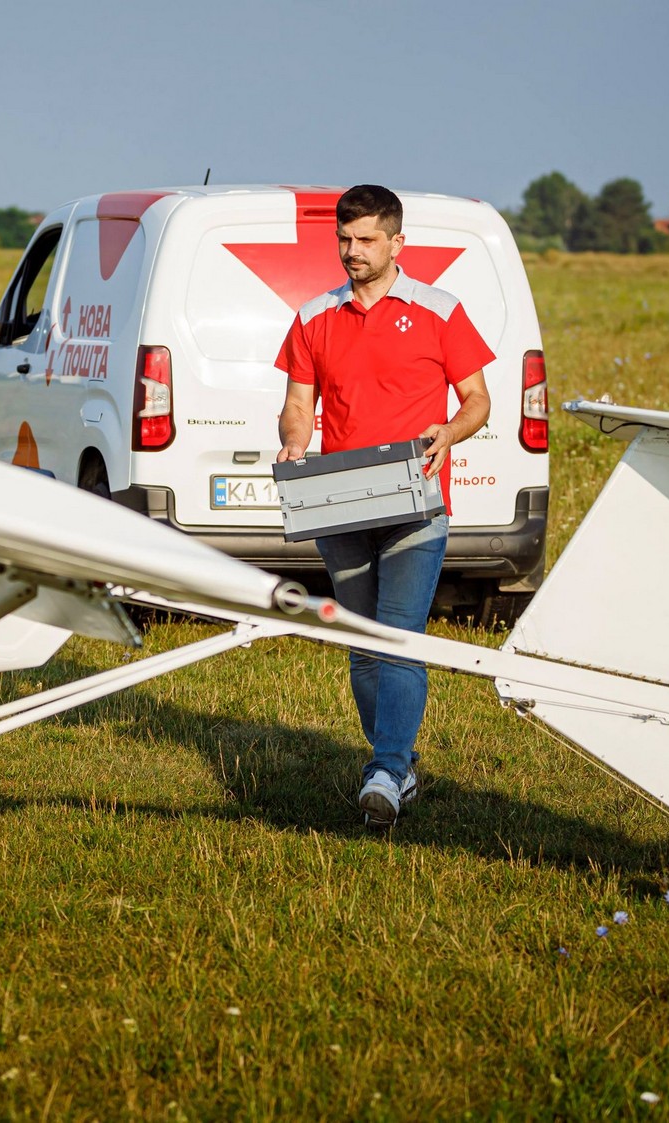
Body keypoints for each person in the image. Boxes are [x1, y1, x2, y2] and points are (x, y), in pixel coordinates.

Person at [273, 185, 494, 827]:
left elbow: (478, 399)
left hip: (416, 503)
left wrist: (450, 432)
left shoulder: (439, 311)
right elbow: (297, 402)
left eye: (366, 240)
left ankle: (389, 768)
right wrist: (293, 442)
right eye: (344, 239)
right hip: (338, 503)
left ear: (398, 242)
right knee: (362, 642)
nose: (352, 251)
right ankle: (394, 759)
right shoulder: (314, 317)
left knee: (398, 637)